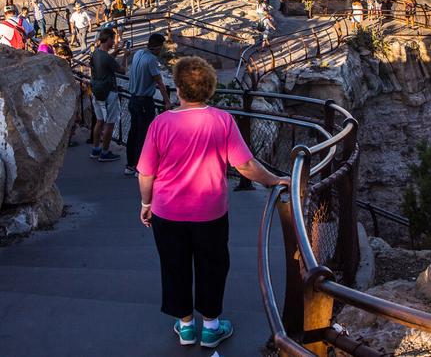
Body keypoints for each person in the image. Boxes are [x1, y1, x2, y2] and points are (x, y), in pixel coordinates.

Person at [137, 56, 289, 349]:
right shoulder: (222, 120)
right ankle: (210, 327)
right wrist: (274, 180)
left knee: (174, 266)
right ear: (209, 88)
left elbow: (145, 172)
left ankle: (185, 327)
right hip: (209, 212)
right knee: (212, 265)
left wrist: (146, 203)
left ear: (179, 88)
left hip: (167, 211)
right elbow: (244, 165)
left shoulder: (160, 123)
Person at [125, 33, 171, 176]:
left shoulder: (139, 53)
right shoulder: (151, 60)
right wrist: (167, 101)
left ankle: (130, 164)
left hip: (133, 99)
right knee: (143, 135)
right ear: (158, 46)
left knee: (133, 132)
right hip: (144, 101)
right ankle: (140, 167)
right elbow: (160, 82)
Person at [89, 27, 129, 162]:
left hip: (96, 91)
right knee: (110, 123)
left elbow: (106, 61)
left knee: (99, 121)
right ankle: (105, 152)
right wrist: (125, 56)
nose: (114, 43)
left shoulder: (96, 53)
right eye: (113, 39)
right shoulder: (105, 56)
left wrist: (117, 51)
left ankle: (96, 150)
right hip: (109, 92)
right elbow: (122, 71)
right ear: (109, 39)